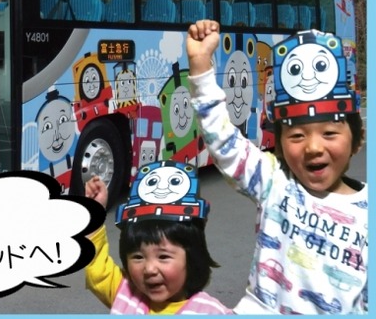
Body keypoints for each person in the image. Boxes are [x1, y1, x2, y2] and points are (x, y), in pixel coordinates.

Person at [186, 20, 367, 314]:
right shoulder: (274, 181)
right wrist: (200, 65)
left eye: (329, 133)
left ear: (357, 140)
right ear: (279, 144)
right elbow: (223, 141)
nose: (313, 147)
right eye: (296, 136)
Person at [85, 160, 232, 314]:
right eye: (138, 257)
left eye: (163, 256)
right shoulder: (125, 293)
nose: (149, 269)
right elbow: (97, 271)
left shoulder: (209, 311)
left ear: (192, 257)